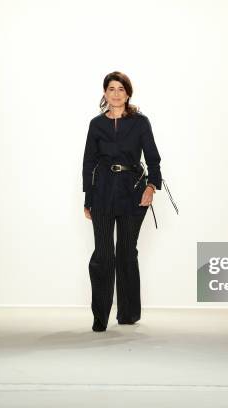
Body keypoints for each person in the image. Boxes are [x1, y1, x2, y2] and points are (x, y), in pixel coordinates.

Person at [82, 71, 162, 332]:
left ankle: (127, 313)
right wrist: (88, 197)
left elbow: (153, 158)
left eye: (121, 89)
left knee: (127, 253)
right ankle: (100, 316)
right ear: (104, 93)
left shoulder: (140, 122)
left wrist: (151, 186)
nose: (116, 94)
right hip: (103, 191)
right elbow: (88, 163)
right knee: (103, 255)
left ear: (128, 93)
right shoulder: (96, 124)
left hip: (133, 192)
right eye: (111, 89)